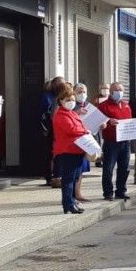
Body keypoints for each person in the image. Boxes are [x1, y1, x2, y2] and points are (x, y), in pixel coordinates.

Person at [50, 84, 92, 215]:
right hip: (67, 151)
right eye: (68, 100)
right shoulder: (61, 115)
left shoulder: (72, 113)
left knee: (74, 179)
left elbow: (79, 125)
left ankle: (72, 201)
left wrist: (84, 131)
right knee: (68, 179)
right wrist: (85, 131)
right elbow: (71, 129)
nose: (71, 102)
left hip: (77, 149)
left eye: (73, 100)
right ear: (61, 101)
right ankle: (67, 204)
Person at [98, 82, 133, 201]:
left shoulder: (126, 105)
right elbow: (98, 123)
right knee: (108, 168)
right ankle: (108, 193)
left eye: (121, 90)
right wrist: (108, 122)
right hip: (111, 142)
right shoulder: (103, 106)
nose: (119, 92)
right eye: (117, 90)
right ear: (111, 92)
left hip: (125, 142)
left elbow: (129, 121)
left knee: (124, 168)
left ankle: (121, 191)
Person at [41, 76, 66, 188]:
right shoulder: (48, 97)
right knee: (50, 153)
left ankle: (57, 175)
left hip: (58, 129)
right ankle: (49, 177)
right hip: (50, 129)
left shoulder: (59, 97)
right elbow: (42, 114)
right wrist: (45, 128)